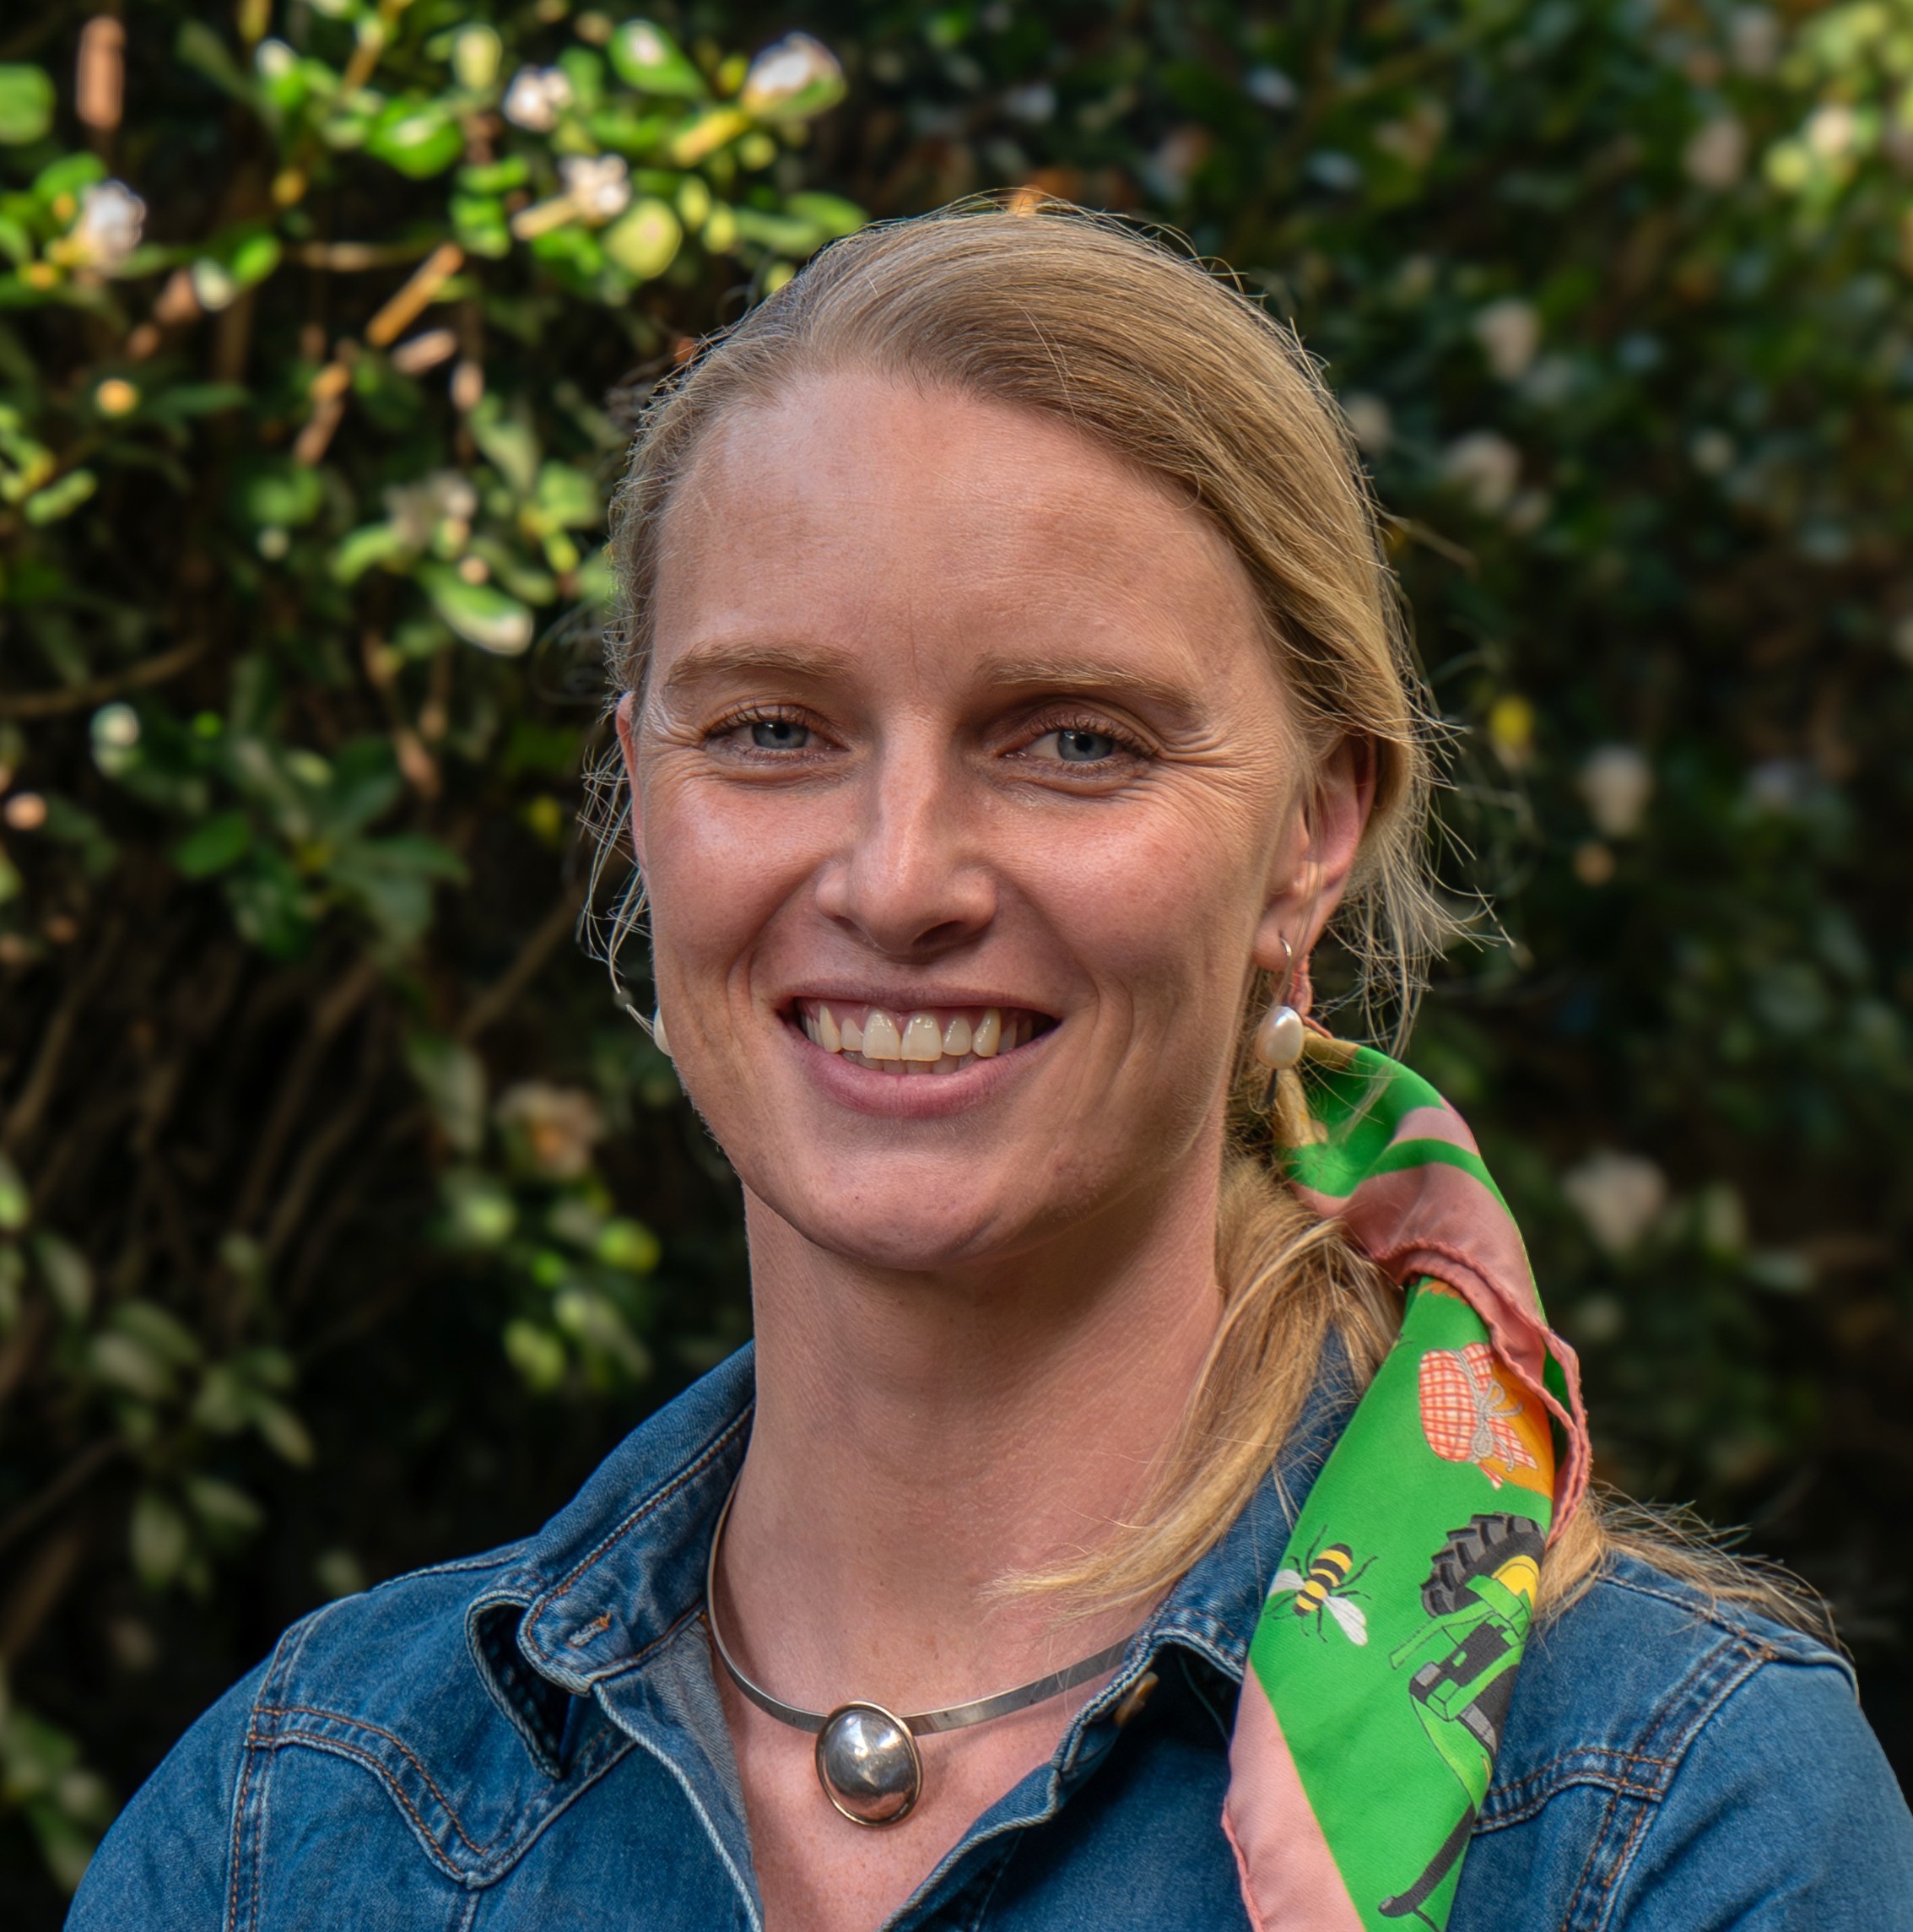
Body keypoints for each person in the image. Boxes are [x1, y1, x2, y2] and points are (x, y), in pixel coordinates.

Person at [68, 202, 1911, 1932]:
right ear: (640, 790)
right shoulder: (299, 1822)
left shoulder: (1665, 1818)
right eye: (774, 727)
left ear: (1312, 833)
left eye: (1075, 741)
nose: (897, 877)